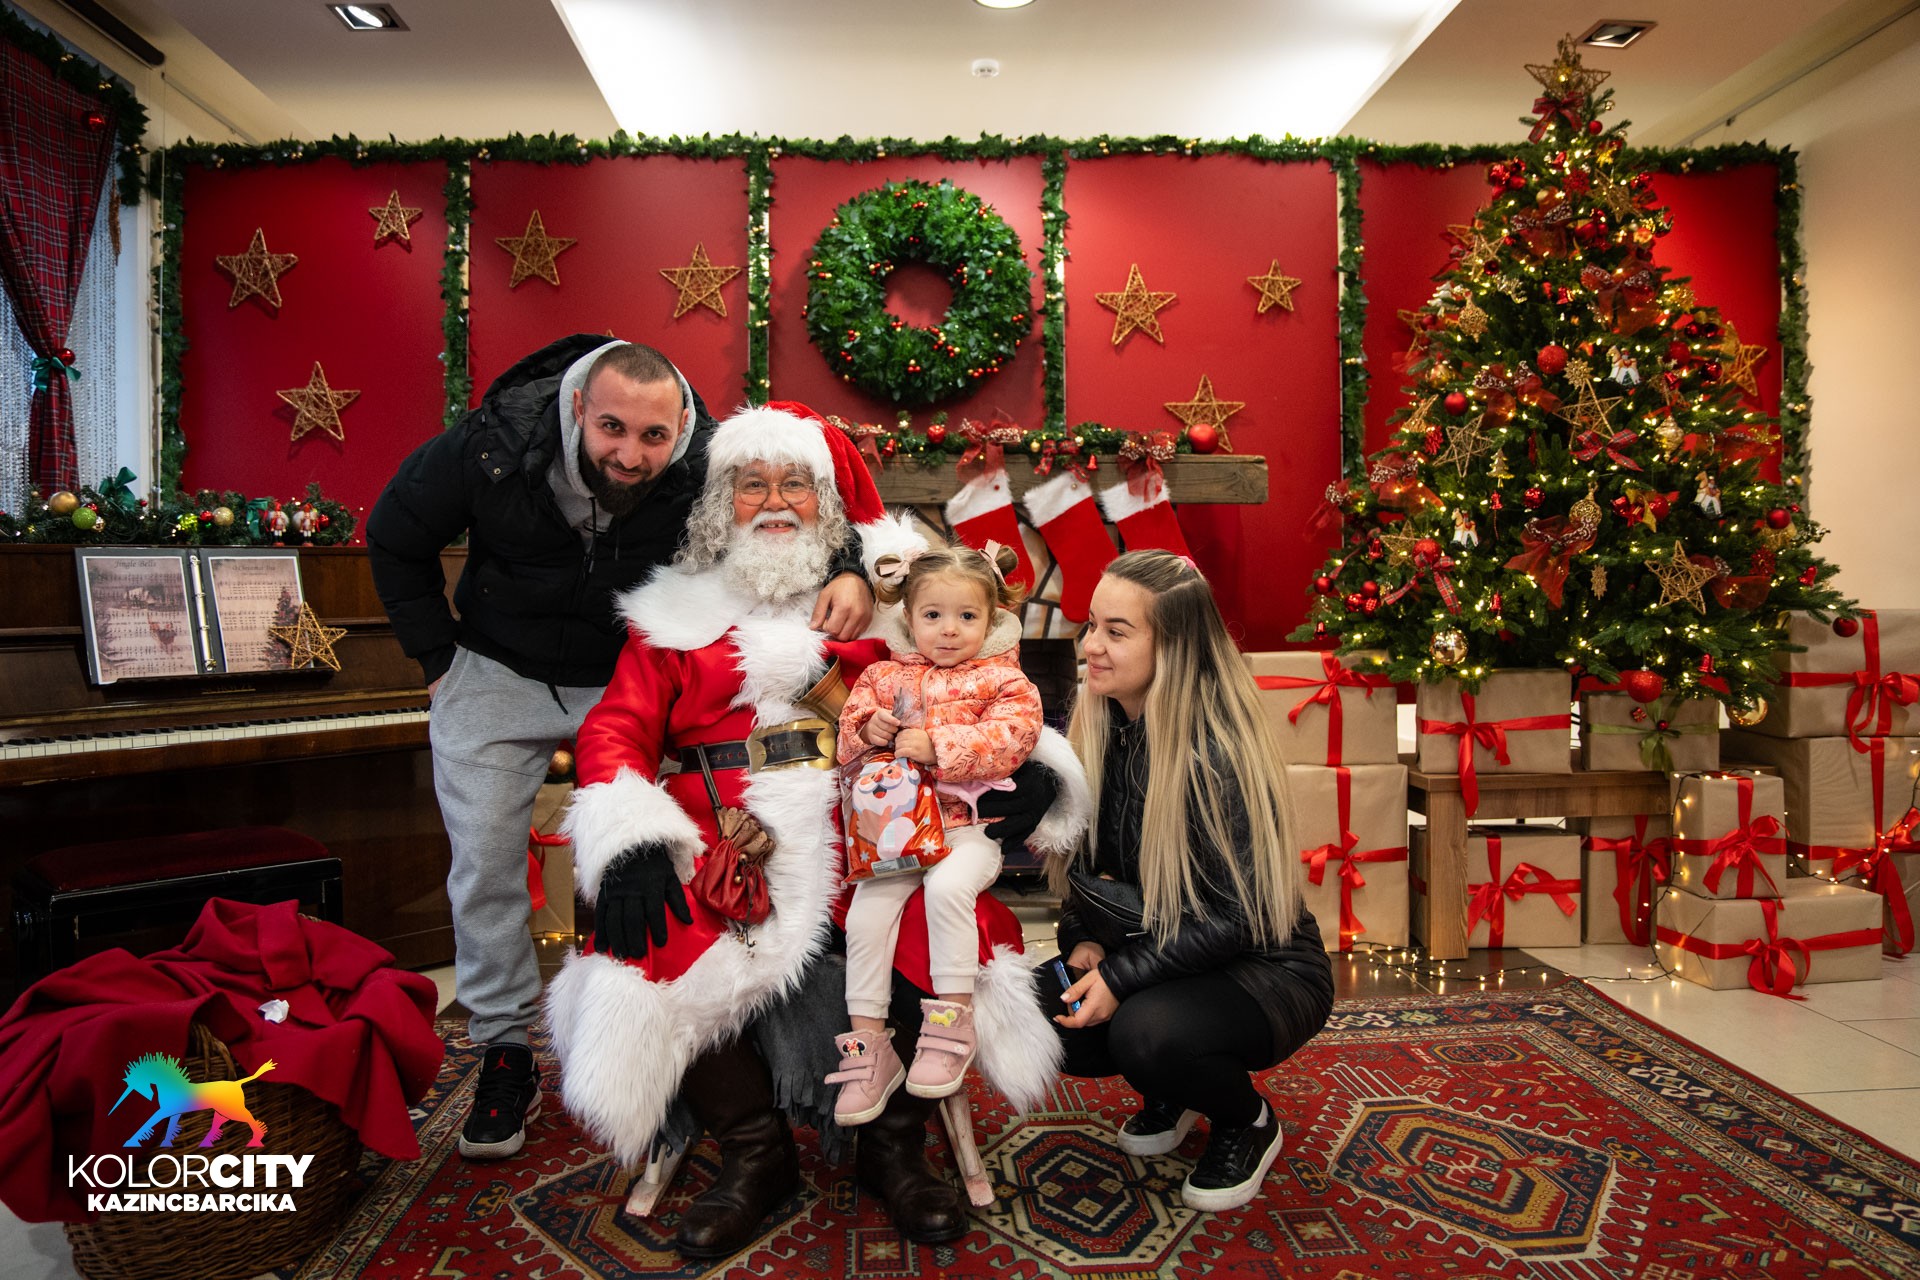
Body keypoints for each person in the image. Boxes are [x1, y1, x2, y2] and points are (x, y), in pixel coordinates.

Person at [548, 402, 1083, 1258]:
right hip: (724, 833)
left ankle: (893, 1147)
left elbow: (981, 685)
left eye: (795, 482)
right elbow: (615, 729)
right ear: (719, 503)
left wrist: (1040, 767)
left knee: (930, 923)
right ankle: (754, 1153)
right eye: (751, 483)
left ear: (827, 503)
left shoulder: (894, 609)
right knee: (656, 939)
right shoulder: (671, 616)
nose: (773, 501)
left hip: (871, 820)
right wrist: (632, 837)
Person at [366, 336, 875, 1163]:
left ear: (684, 432)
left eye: (653, 437)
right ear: (577, 409)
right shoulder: (490, 444)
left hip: (619, 658)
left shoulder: (704, 458)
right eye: (612, 429)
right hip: (497, 665)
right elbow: (394, 535)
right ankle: (504, 1049)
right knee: (487, 862)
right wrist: (436, 661)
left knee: (648, 839)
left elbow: (792, 494)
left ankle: (682, 1023)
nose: (632, 455)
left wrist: (852, 565)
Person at [1047, 550, 1333, 1213]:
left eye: (1117, 632)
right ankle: (1174, 1090)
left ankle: (1246, 1121)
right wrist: (1081, 938)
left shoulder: (1216, 752)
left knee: (1145, 1034)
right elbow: (1085, 873)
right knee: (1038, 1017)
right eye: (1091, 625)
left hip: (1265, 968)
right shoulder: (1102, 727)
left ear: (1172, 647)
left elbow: (1239, 917)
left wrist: (1120, 978)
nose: (1090, 646)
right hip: (1162, 948)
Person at [830, 543, 1042, 1124]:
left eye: (967, 616)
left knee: (949, 889)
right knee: (867, 914)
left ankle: (951, 1025)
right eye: (933, 615)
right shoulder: (881, 676)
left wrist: (940, 746)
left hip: (969, 829)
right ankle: (868, 1048)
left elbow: (1013, 737)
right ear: (909, 616)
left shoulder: (1005, 680)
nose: (949, 629)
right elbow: (846, 738)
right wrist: (867, 730)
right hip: (897, 832)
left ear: (991, 619)